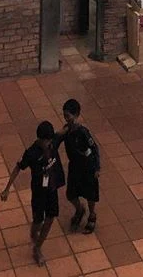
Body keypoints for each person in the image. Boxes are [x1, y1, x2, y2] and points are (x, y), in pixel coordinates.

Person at [0, 120, 64, 266]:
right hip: (39, 192)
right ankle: (33, 234)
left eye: (49, 141)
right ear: (39, 139)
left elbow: (63, 131)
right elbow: (18, 168)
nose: (48, 144)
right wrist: (7, 189)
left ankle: (38, 247)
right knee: (38, 221)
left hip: (52, 188)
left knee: (51, 217)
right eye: (45, 141)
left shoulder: (53, 140)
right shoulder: (31, 153)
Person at [60, 98, 100, 234]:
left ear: (76, 115)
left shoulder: (83, 132)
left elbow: (94, 149)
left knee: (90, 194)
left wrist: (97, 168)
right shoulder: (66, 130)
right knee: (71, 194)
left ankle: (92, 215)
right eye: (64, 116)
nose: (66, 119)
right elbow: (57, 140)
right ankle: (79, 209)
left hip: (88, 168)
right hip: (74, 167)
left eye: (68, 116)